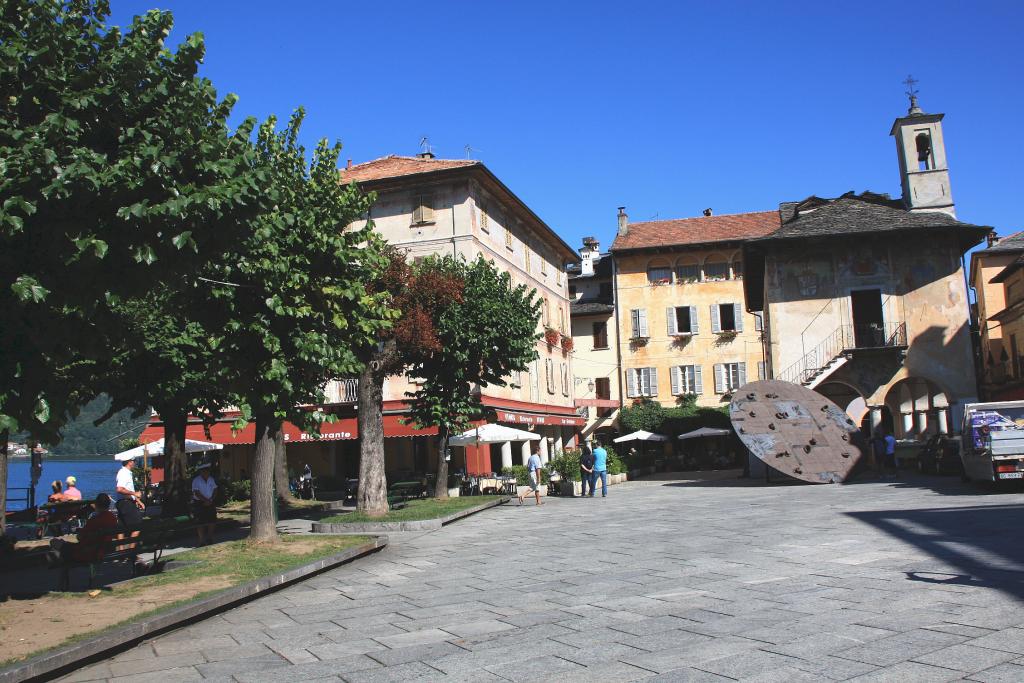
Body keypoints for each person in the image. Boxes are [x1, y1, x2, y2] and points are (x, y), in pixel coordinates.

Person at [48, 493, 120, 565]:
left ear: (97, 504)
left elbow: (79, 537)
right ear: (108, 504)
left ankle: (62, 567)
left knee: (54, 542)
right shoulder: (113, 518)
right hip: (103, 550)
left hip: (85, 553)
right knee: (62, 544)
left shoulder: (94, 520)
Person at [191, 463, 218, 546]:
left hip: (210, 501)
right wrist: (206, 500)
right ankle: (201, 540)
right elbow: (196, 492)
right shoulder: (196, 480)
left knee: (212, 520)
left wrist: (211, 499)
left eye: (208, 471)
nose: (207, 472)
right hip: (199, 503)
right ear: (201, 472)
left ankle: (210, 538)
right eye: (205, 471)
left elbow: (215, 489)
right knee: (200, 522)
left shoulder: (211, 479)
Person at [115, 458, 145, 527]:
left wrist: (138, 501)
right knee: (138, 525)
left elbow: (128, 489)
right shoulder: (124, 473)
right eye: (134, 461)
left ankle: (123, 538)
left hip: (124, 502)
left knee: (121, 527)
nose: (135, 463)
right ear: (129, 462)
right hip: (125, 503)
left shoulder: (127, 473)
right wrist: (134, 493)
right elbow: (119, 489)